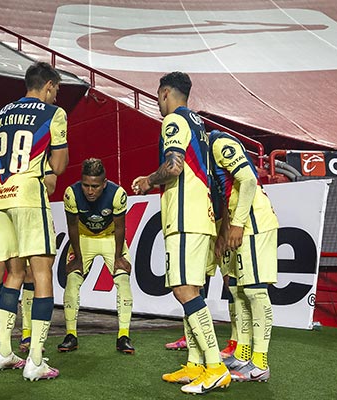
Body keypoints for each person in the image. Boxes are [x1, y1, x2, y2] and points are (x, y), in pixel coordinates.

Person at [132, 72, 231, 394]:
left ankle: (214, 366)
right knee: (194, 290)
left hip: (185, 217)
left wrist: (148, 179)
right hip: (200, 216)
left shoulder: (174, 120)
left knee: (183, 290)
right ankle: (195, 363)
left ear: (164, 93)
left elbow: (173, 166)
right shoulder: (199, 124)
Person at [0, 61, 68, 381]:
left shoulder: (4, 112)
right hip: (27, 195)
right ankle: (36, 358)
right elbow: (59, 164)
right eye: (56, 89)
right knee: (42, 271)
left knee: (14, 272)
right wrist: (48, 168)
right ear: (48, 86)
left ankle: (3, 352)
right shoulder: (53, 113)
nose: (56, 95)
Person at [209, 129, 279, 382]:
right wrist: (225, 231)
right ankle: (242, 354)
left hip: (255, 224)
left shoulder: (218, 142)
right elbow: (228, 194)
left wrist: (237, 224)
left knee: (255, 292)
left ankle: (260, 364)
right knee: (238, 291)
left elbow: (248, 180)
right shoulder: (206, 153)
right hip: (240, 225)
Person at [58, 158, 135, 354]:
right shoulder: (71, 194)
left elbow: (120, 227)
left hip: (110, 237)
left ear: (104, 183)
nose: (90, 191)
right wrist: (77, 257)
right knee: (73, 280)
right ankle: (71, 335)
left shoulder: (117, 194)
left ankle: (123, 336)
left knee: (123, 279)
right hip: (83, 237)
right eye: (86, 185)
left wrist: (118, 257)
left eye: (95, 186)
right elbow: (72, 226)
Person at [0, 169, 57, 354]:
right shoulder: (40, 144)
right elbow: (51, 183)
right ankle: (32, 355)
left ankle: (22, 337)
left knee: (25, 274)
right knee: (35, 273)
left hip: (1, 200)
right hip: (22, 204)